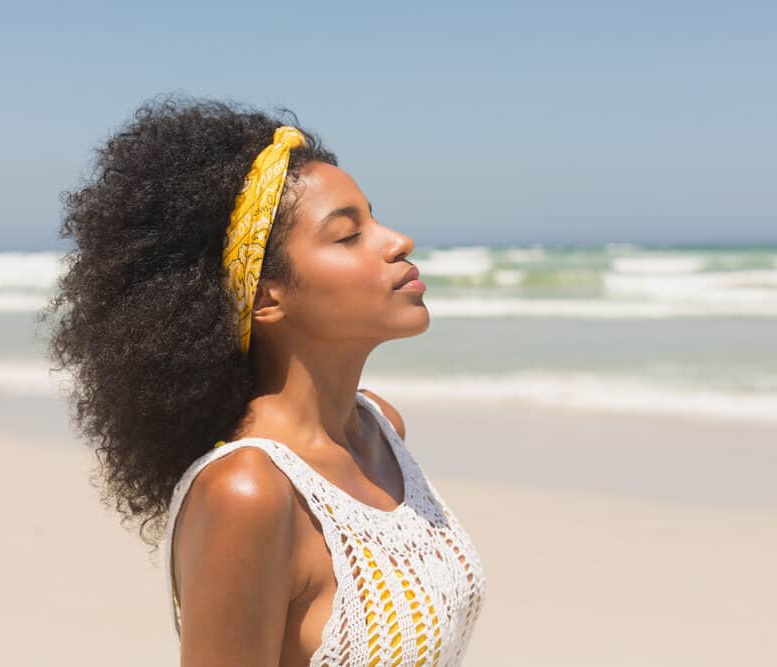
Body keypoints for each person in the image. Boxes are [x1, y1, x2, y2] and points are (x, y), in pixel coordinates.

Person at [42, 93, 486, 666]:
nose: (397, 241)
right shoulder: (249, 492)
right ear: (266, 298)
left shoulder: (381, 428)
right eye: (348, 235)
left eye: (373, 219)